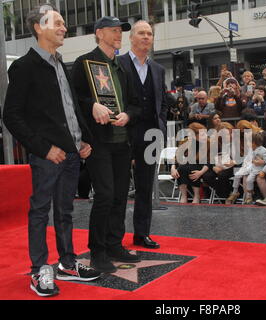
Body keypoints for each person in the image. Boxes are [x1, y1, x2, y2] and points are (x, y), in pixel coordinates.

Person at [3, 5, 101, 297]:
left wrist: (81, 139)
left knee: (66, 211)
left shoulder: (61, 64)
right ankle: (38, 269)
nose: (64, 28)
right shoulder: (24, 66)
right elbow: (11, 116)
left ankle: (67, 263)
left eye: (63, 23)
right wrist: (44, 149)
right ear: (38, 27)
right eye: (57, 23)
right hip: (48, 156)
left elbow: (69, 109)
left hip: (71, 154)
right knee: (40, 211)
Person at [72, 16, 141, 273]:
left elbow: (135, 104)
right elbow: (73, 98)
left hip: (122, 143)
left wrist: (128, 115)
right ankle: (97, 250)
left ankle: (114, 243)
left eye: (120, 31)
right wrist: (91, 105)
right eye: (113, 30)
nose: (119, 34)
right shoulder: (83, 63)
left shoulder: (122, 68)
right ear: (99, 33)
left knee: (120, 196)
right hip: (98, 142)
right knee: (104, 196)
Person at [118, 20, 168, 250]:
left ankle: (141, 234)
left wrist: (162, 130)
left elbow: (162, 103)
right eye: (141, 33)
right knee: (118, 186)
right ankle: (114, 237)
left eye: (149, 33)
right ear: (131, 37)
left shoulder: (158, 69)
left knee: (146, 186)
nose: (146, 37)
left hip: (151, 134)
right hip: (124, 133)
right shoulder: (118, 64)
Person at [170, 122, 213, 203]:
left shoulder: (209, 143)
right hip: (188, 166)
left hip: (203, 167)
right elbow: (176, 157)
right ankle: (184, 195)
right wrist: (173, 168)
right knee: (182, 168)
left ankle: (197, 196)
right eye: (202, 134)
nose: (205, 136)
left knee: (191, 167)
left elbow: (209, 161)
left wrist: (201, 172)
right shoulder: (186, 142)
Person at [226, 132, 266, 204]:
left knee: (249, 180)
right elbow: (246, 158)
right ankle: (235, 192)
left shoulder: (263, 150)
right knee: (237, 175)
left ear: (254, 143)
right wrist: (235, 162)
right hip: (250, 168)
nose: (246, 143)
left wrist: (263, 171)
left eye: (248, 141)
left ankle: (249, 196)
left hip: (258, 169)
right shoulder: (250, 149)